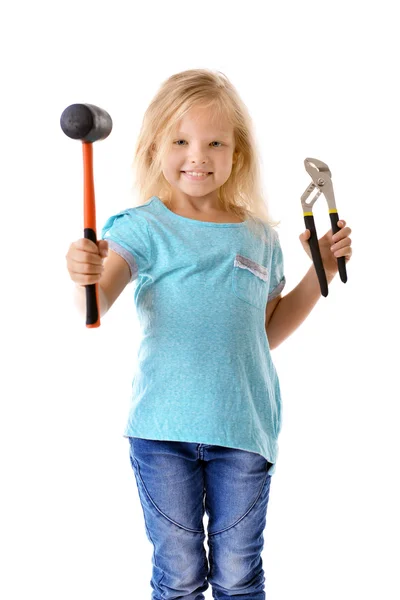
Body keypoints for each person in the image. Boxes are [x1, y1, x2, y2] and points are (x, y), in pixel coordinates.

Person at [66, 69, 352, 599]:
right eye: (180, 141)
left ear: (236, 153)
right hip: (162, 433)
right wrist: (84, 271)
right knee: (178, 578)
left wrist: (322, 271)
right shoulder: (139, 227)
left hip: (243, 429)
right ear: (156, 148)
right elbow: (99, 298)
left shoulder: (258, 236)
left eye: (214, 142)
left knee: (238, 576)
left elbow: (265, 331)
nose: (197, 156)